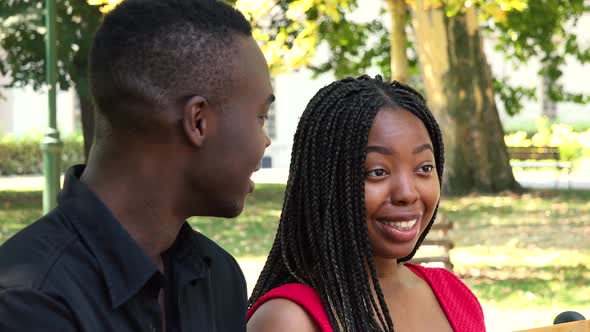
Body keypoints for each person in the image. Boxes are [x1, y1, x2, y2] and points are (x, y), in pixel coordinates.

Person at [0, 0, 273, 331]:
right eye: (260, 117)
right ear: (198, 121)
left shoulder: (218, 276)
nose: (264, 141)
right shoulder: (28, 300)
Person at [246, 75, 486, 332]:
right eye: (377, 172)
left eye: (424, 167)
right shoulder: (290, 319)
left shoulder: (453, 295)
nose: (407, 193)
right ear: (327, 183)